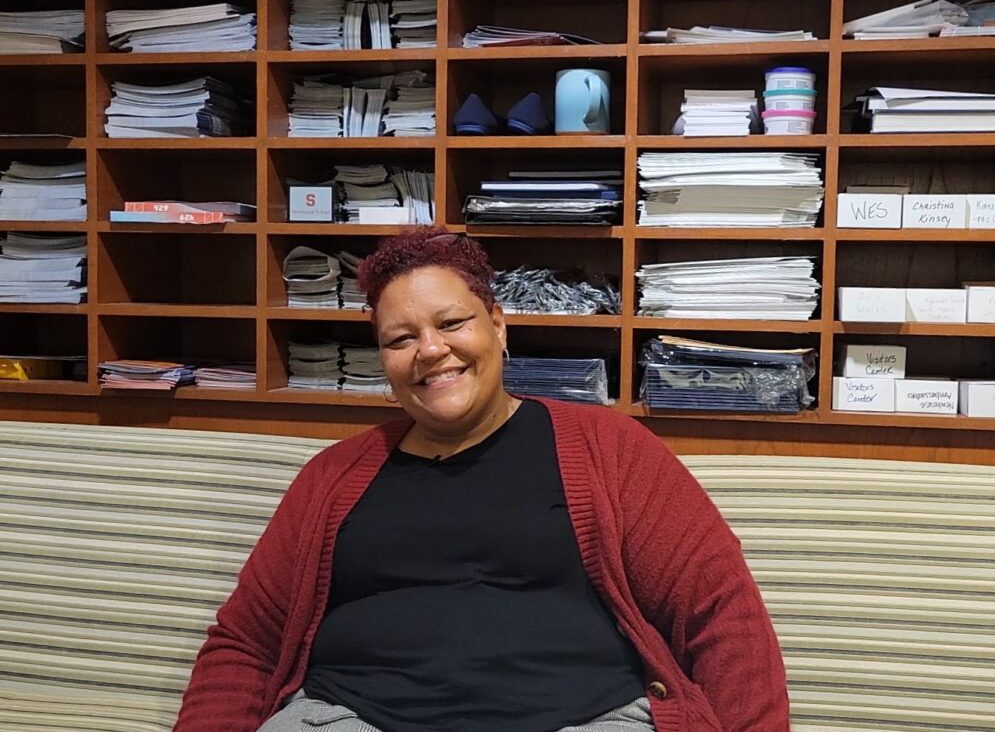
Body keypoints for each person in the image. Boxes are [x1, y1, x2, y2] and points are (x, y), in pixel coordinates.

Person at [174, 227, 789, 732]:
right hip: (347, 718)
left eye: (451, 323)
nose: (430, 350)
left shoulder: (609, 448)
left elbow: (721, 614)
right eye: (400, 338)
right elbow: (247, 643)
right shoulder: (331, 478)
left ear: (497, 325)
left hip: (585, 718)